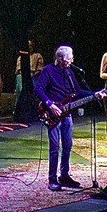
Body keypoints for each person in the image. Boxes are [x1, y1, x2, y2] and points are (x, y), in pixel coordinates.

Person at [32, 44, 88, 190]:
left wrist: (96, 94)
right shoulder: (48, 70)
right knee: (55, 147)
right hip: (53, 114)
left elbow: (78, 91)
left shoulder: (69, 72)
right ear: (60, 58)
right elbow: (38, 89)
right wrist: (50, 105)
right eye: (69, 57)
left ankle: (64, 175)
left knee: (68, 145)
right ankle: (52, 179)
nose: (72, 60)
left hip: (67, 114)